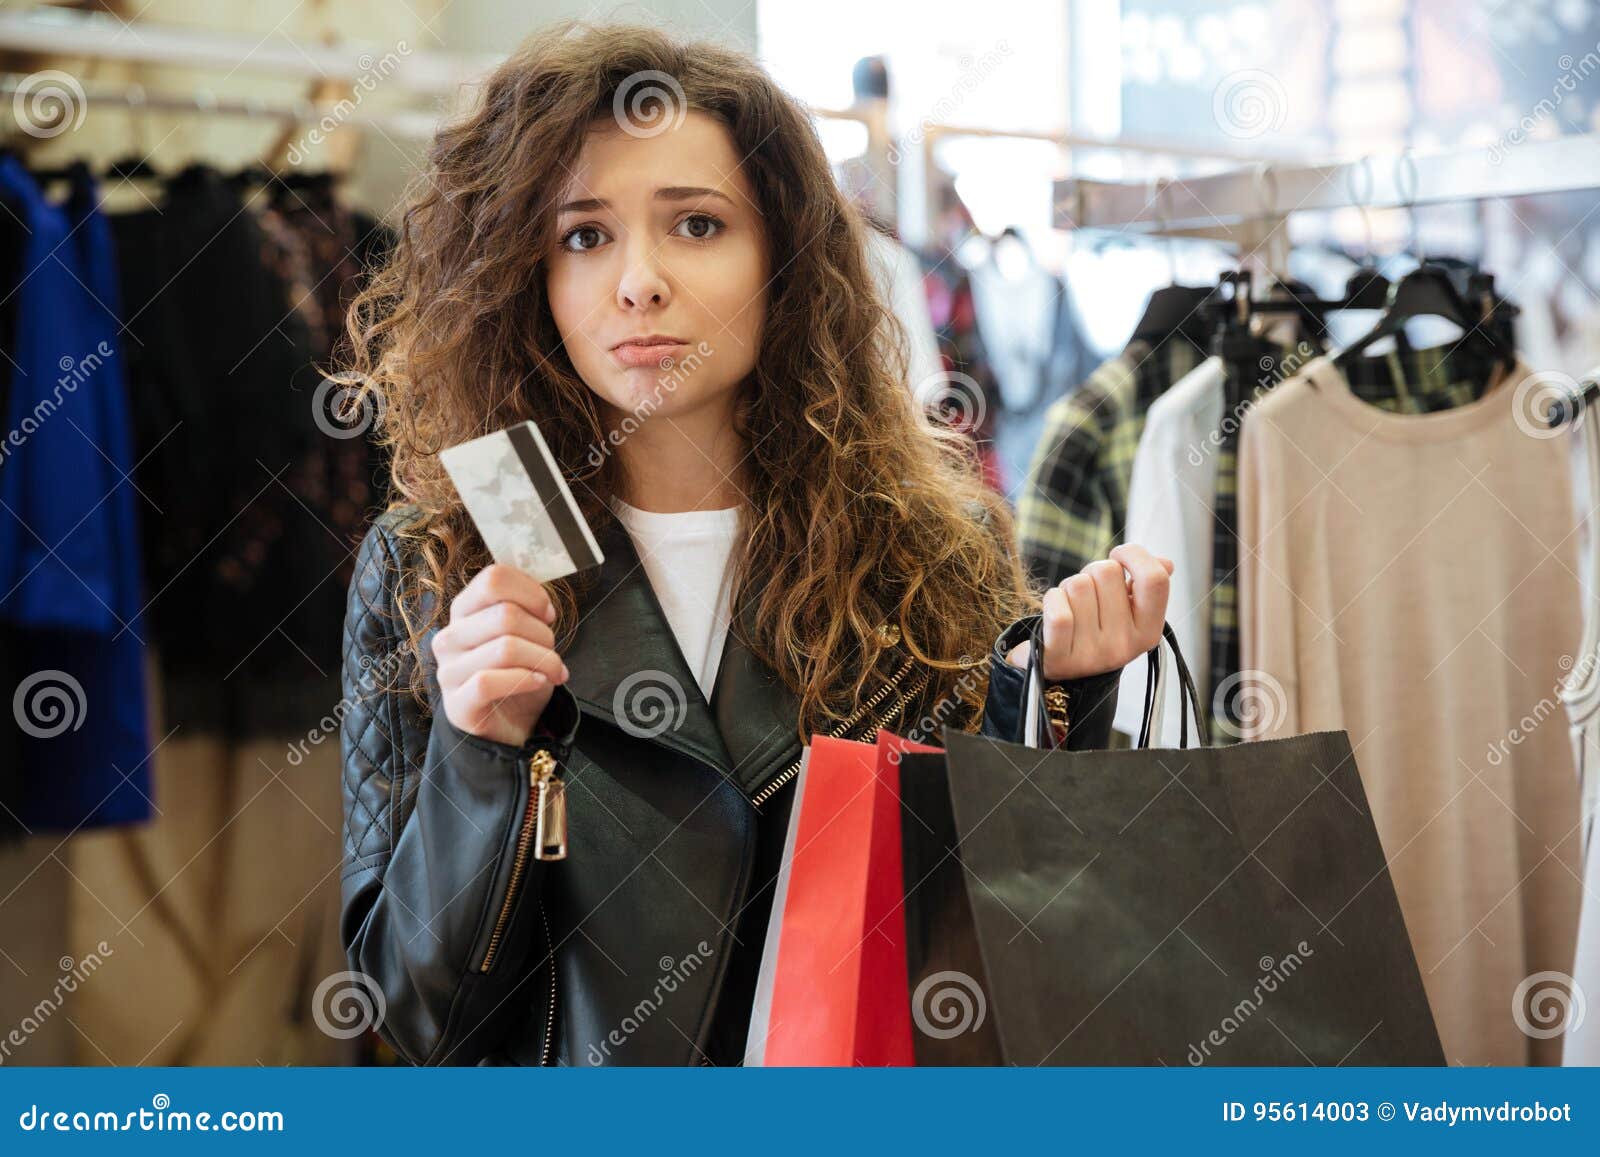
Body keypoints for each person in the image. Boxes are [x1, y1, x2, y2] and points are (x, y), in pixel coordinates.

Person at [337, 21, 1174, 1067]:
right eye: (584, 235)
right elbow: (419, 1021)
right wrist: (481, 758)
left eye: (695, 224)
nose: (638, 281)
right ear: (526, 272)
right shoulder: (439, 561)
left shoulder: (926, 548)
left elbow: (1007, 946)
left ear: (783, 255)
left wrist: (1059, 695)